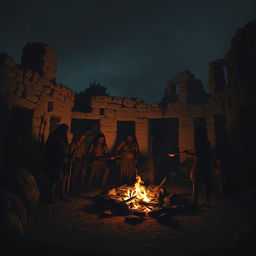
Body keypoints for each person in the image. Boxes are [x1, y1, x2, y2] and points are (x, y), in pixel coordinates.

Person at [44, 124, 71, 203]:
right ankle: (50, 197)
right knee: (55, 179)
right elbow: (57, 152)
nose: (67, 132)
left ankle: (62, 195)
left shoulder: (62, 139)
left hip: (61, 161)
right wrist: (67, 155)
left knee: (62, 179)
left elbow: (63, 150)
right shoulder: (56, 139)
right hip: (55, 162)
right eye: (66, 130)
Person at [185, 127, 211, 207]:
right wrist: (191, 153)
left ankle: (195, 203)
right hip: (205, 165)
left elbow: (198, 155)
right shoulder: (207, 142)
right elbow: (200, 152)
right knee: (206, 185)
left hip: (199, 165)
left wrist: (188, 154)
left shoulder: (198, 142)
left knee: (196, 185)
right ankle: (207, 203)